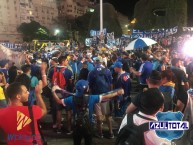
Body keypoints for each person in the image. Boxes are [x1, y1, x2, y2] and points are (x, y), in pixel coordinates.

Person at [52, 80, 124, 145]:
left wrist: (53, 91)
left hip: (76, 126)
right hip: (88, 126)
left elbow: (58, 101)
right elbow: (106, 96)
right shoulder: (91, 98)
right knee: (88, 142)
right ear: (86, 89)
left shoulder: (71, 98)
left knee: (77, 142)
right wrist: (117, 92)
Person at [88, 57, 114, 138]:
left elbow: (89, 86)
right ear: (102, 62)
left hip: (96, 96)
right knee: (108, 115)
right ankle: (111, 133)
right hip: (106, 95)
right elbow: (111, 84)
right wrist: (110, 94)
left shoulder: (91, 72)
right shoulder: (107, 71)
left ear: (95, 63)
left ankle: (100, 133)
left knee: (99, 116)